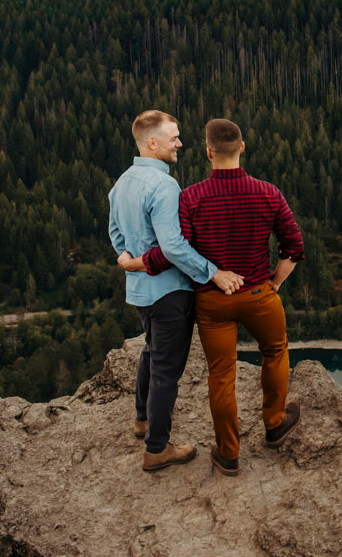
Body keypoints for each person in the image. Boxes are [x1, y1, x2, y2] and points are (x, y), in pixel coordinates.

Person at [123, 118, 304, 476]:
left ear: (208, 153)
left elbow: (174, 250)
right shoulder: (268, 192)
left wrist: (136, 263)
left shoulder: (190, 197)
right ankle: (275, 423)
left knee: (221, 374)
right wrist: (274, 283)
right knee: (275, 351)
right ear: (242, 148)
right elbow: (294, 246)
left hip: (213, 301)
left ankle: (229, 453)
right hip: (258, 294)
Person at [107, 110, 244, 472]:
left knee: (151, 353)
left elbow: (115, 233)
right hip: (169, 293)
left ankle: (141, 420)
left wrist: (127, 259)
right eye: (174, 137)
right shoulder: (164, 186)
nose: (180, 143)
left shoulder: (121, 182)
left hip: (139, 292)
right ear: (152, 143)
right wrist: (214, 273)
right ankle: (157, 448)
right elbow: (174, 247)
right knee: (167, 369)